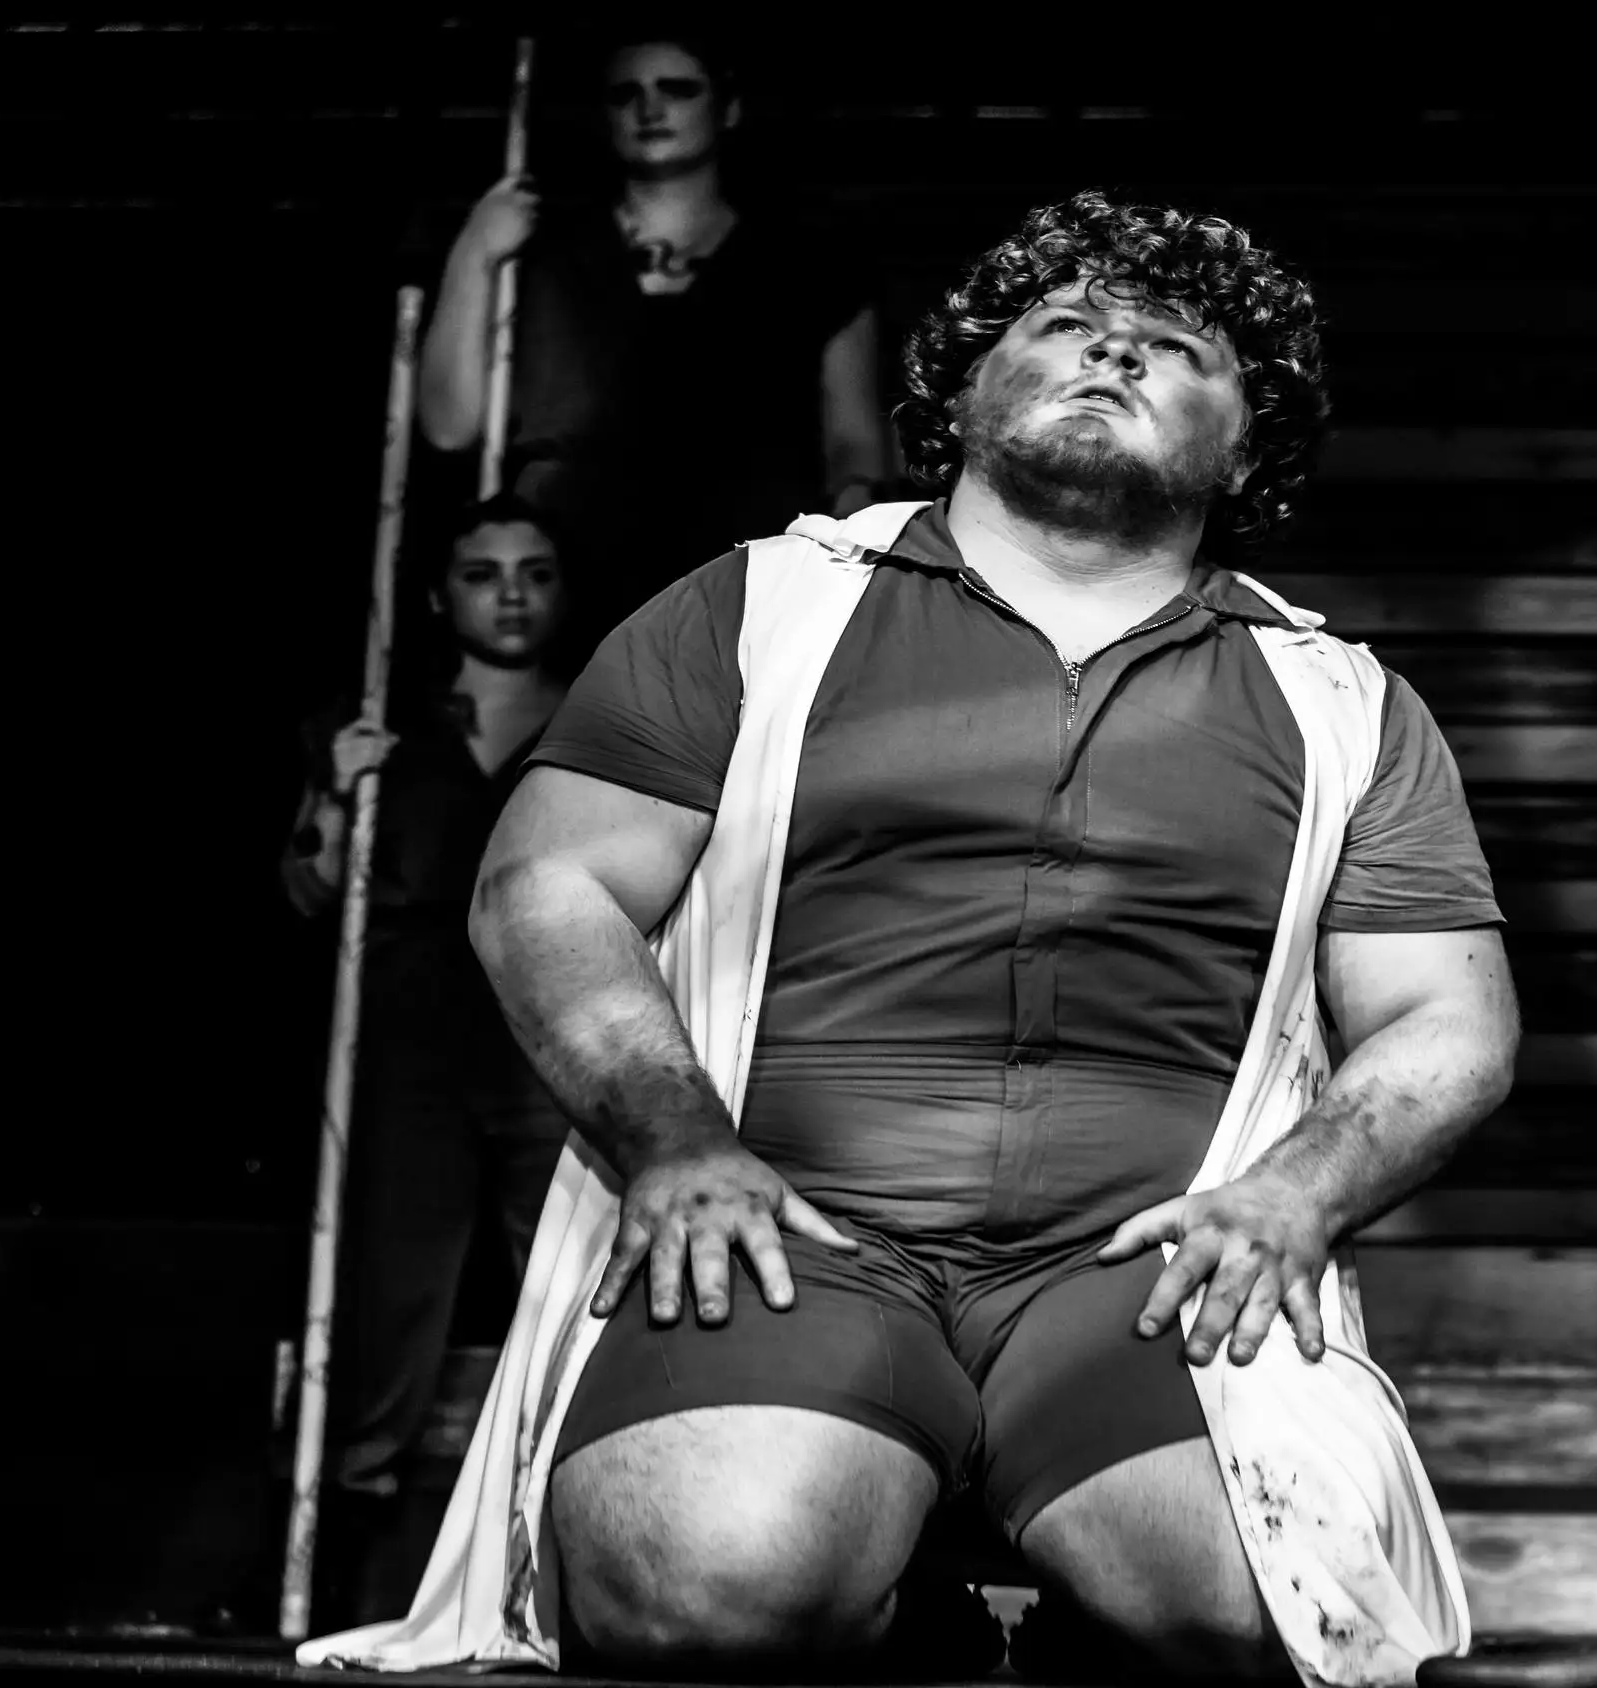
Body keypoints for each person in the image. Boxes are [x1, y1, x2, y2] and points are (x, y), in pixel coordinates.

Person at [307, 192, 1516, 1685]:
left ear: (1249, 444)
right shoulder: (757, 608)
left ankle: (1081, 1628)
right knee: (703, 1591)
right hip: (799, 1236)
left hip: (1141, 1268)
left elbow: (1447, 1020)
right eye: (1065, 327)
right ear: (959, 389)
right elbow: (548, 890)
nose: (1113, 354)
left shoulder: (1345, 703)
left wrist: (1297, 1195)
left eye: (1174, 347)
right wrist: (673, 1138)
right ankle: (904, 1633)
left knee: (1246, 1614)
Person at [281, 494, 578, 1607]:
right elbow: (308, 891)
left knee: (562, 1292)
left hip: (547, 1027)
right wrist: (338, 800)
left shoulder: (604, 714)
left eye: (535, 570)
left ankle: (556, 1557)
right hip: (408, 1043)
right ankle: (335, 1576)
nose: (510, 591)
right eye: (484, 571)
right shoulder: (374, 722)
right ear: (439, 594)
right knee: (380, 1303)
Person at [417, 25, 889, 638]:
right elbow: (451, 425)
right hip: (567, 590)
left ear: (729, 108)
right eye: (624, 93)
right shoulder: (535, 252)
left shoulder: (807, 264)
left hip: (747, 585)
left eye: (677, 88)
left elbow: (855, 444)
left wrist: (846, 542)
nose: (649, 107)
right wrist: (474, 252)